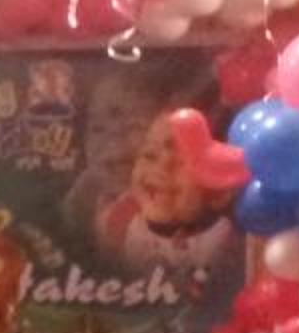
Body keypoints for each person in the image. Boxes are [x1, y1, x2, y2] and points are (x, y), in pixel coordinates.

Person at [96, 109, 241, 271]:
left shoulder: (223, 242)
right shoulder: (121, 224)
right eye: (150, 155)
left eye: (180, 162)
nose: (161, 169)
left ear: (219, 192)